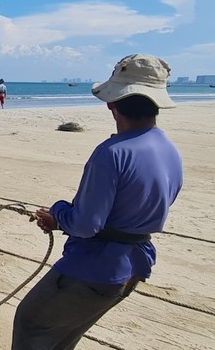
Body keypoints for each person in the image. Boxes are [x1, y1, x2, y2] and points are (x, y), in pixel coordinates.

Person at [12, 54, 183, 349]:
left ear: (111, 104)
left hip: (93, 268)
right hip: (133, 266)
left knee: (32, 323)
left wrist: (58, 213)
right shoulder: (169, 149)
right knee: (64, 335)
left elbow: (87, 224)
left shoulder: (112, 152)